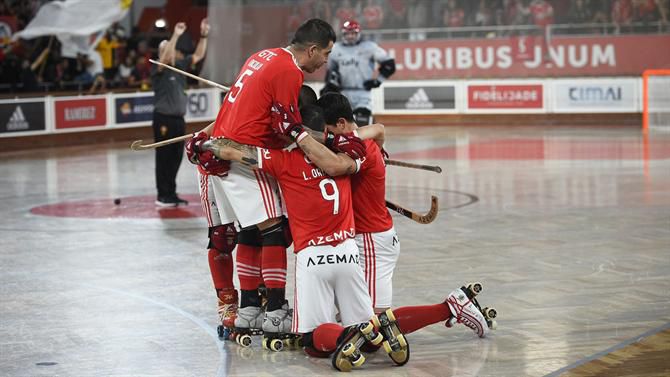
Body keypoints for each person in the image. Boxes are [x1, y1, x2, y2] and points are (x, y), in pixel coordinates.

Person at [198, 103, 407, 371]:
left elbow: (232, 151)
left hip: (312, 259)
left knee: (312, 340)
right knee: (368, 327)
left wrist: (204, 145)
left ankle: (343, 337)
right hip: (348, 254)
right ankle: (364, 331)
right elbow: (377, 130)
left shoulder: (285, 161)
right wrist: (319, 136)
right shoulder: (347, 157)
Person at [185, 19, 343, 343]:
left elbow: (238, 106)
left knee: (246, 232)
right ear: (311, 49)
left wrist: (204, 135)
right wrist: (326, 146)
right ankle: (274, 311)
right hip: (243, 156)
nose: (324, 61)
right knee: (273, 231)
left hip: (220, 152)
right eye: (325, 53)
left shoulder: (262, 56)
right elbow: (287, 125)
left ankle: (247, 310)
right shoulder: (290, 71)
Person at [314, 92, 495, 347]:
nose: (324, 137)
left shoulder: (358, 150)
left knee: (375, 333)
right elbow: (379, 129)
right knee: (360, 327)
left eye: (327, 131)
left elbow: (345, 156)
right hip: (371, 238)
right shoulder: (360, 142)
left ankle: (452, 306)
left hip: (371, 242)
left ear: (342, 125)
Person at [152, 18, 209, 207]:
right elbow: (165, 58)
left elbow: (198, 55)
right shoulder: (158, 69)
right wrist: (175, 35)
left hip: (178, 119)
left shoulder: (180, 67)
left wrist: (204, 35)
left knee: (176, 156)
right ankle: (163, 194)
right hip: (163, 119)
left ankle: (171, 192)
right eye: (167, 48)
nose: (173, 51)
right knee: (164, 157)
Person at [321, 19, 395, 127]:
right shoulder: (335, 49)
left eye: (353, 33)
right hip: (343, 93)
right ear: (343, 34)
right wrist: (329, 87)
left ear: (358, 33)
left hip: (363, 93)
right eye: (348, 33)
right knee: (343, 127)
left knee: (362, 123)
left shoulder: (369, 47)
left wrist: (378, 81)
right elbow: (331, 72)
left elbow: (389, 64)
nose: (350, 36)